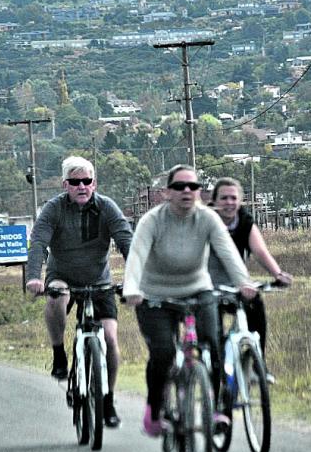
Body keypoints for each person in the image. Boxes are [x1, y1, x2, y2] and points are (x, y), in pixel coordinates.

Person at [123, 164, 257, 437]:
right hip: (154, 295)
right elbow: (136, 255)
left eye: (193, 186)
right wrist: (132, 289)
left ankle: (219, 407)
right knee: (163, 353)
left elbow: (228, 252)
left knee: (213, 343)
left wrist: (243, 282)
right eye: (180, 186)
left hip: (198, 290)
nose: (187, 191)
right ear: (166, 192)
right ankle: (155, 407)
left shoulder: (208, 219)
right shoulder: (153, 220)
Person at [26, 155, 133, 428]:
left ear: (94, 183)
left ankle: (107, 400)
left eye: (87, 181)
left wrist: (136, 277)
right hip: (63, 277)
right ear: (65, 185)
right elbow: (38, 242)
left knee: (109, 338)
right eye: (75, 182)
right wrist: (34, 278)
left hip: (100, 282)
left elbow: (126, 241)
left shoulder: (107, 207)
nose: (82, 186)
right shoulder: (54, 209)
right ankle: (59, 353)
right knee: (57, 295)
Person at [208, 177, 293, 358]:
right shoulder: (204, 220)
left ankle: (257, 362)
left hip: (236, 283)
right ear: (214, 201)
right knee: (212, 337)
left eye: (233, 198)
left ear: (240, 201)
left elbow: (260, 251)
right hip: (207, 284)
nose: (229, 203)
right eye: (224, 198)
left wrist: (278, 274)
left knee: (255, 305)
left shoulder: (245, 222)